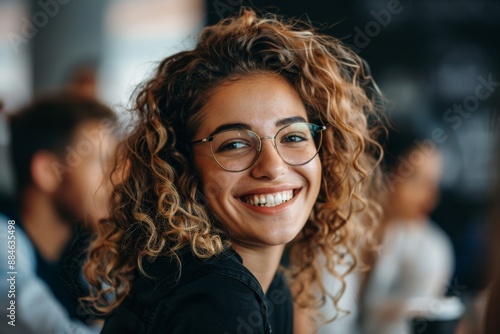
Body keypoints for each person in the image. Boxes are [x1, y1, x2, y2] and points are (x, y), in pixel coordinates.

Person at [84, 8, 384, 333]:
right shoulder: (216, 303)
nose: (272, 166)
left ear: (322, 152)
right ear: (181, 166)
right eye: (235, 145)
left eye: (294, 136)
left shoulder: (269, 287)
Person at [0, 93, 116, 333]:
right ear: (47, 172)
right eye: (100, 162)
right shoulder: (5, 239)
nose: (114, 179)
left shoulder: (84, 247)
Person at [359, 124, 455, 334]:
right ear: (380, 172)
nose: (430, 198)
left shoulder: (431, 250)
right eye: (416, 180)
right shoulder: (337, 230)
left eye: (434, 184)